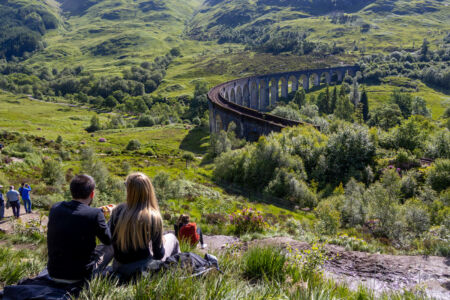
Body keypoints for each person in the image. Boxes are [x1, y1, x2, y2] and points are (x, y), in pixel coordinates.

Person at [109, 172, 180, 277]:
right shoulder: (153, 216)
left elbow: (110, 239)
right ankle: (176, 273)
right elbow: (158, 254)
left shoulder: (117, 211)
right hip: (142, 270)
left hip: (119, 267)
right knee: (172, 238)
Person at [47, 175, 112, 283]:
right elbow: (108, 240)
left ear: (71, 191)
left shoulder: (55, 208)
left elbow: (77, 214)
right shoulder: (95, 214)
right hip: (80, 276)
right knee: (111, 246)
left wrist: (97, 212)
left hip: (54, 273)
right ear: (92, 194)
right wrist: (109, 217)